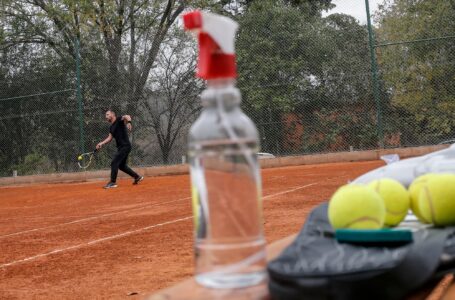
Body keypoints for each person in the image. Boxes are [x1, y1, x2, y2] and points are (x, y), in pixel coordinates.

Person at [96, 109, 143, 189]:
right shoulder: (111, 127)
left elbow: (127, 116)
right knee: (121, 166)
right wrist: (101, 143)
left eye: (107, 114)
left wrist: (129, 122)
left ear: (113, 114)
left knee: (114, 162)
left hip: (125, 146)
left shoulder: (118, 120)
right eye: (106, 115)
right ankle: (137, 177)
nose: (106, 116)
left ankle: (113, 182)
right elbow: (110, 138)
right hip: (121, 147)